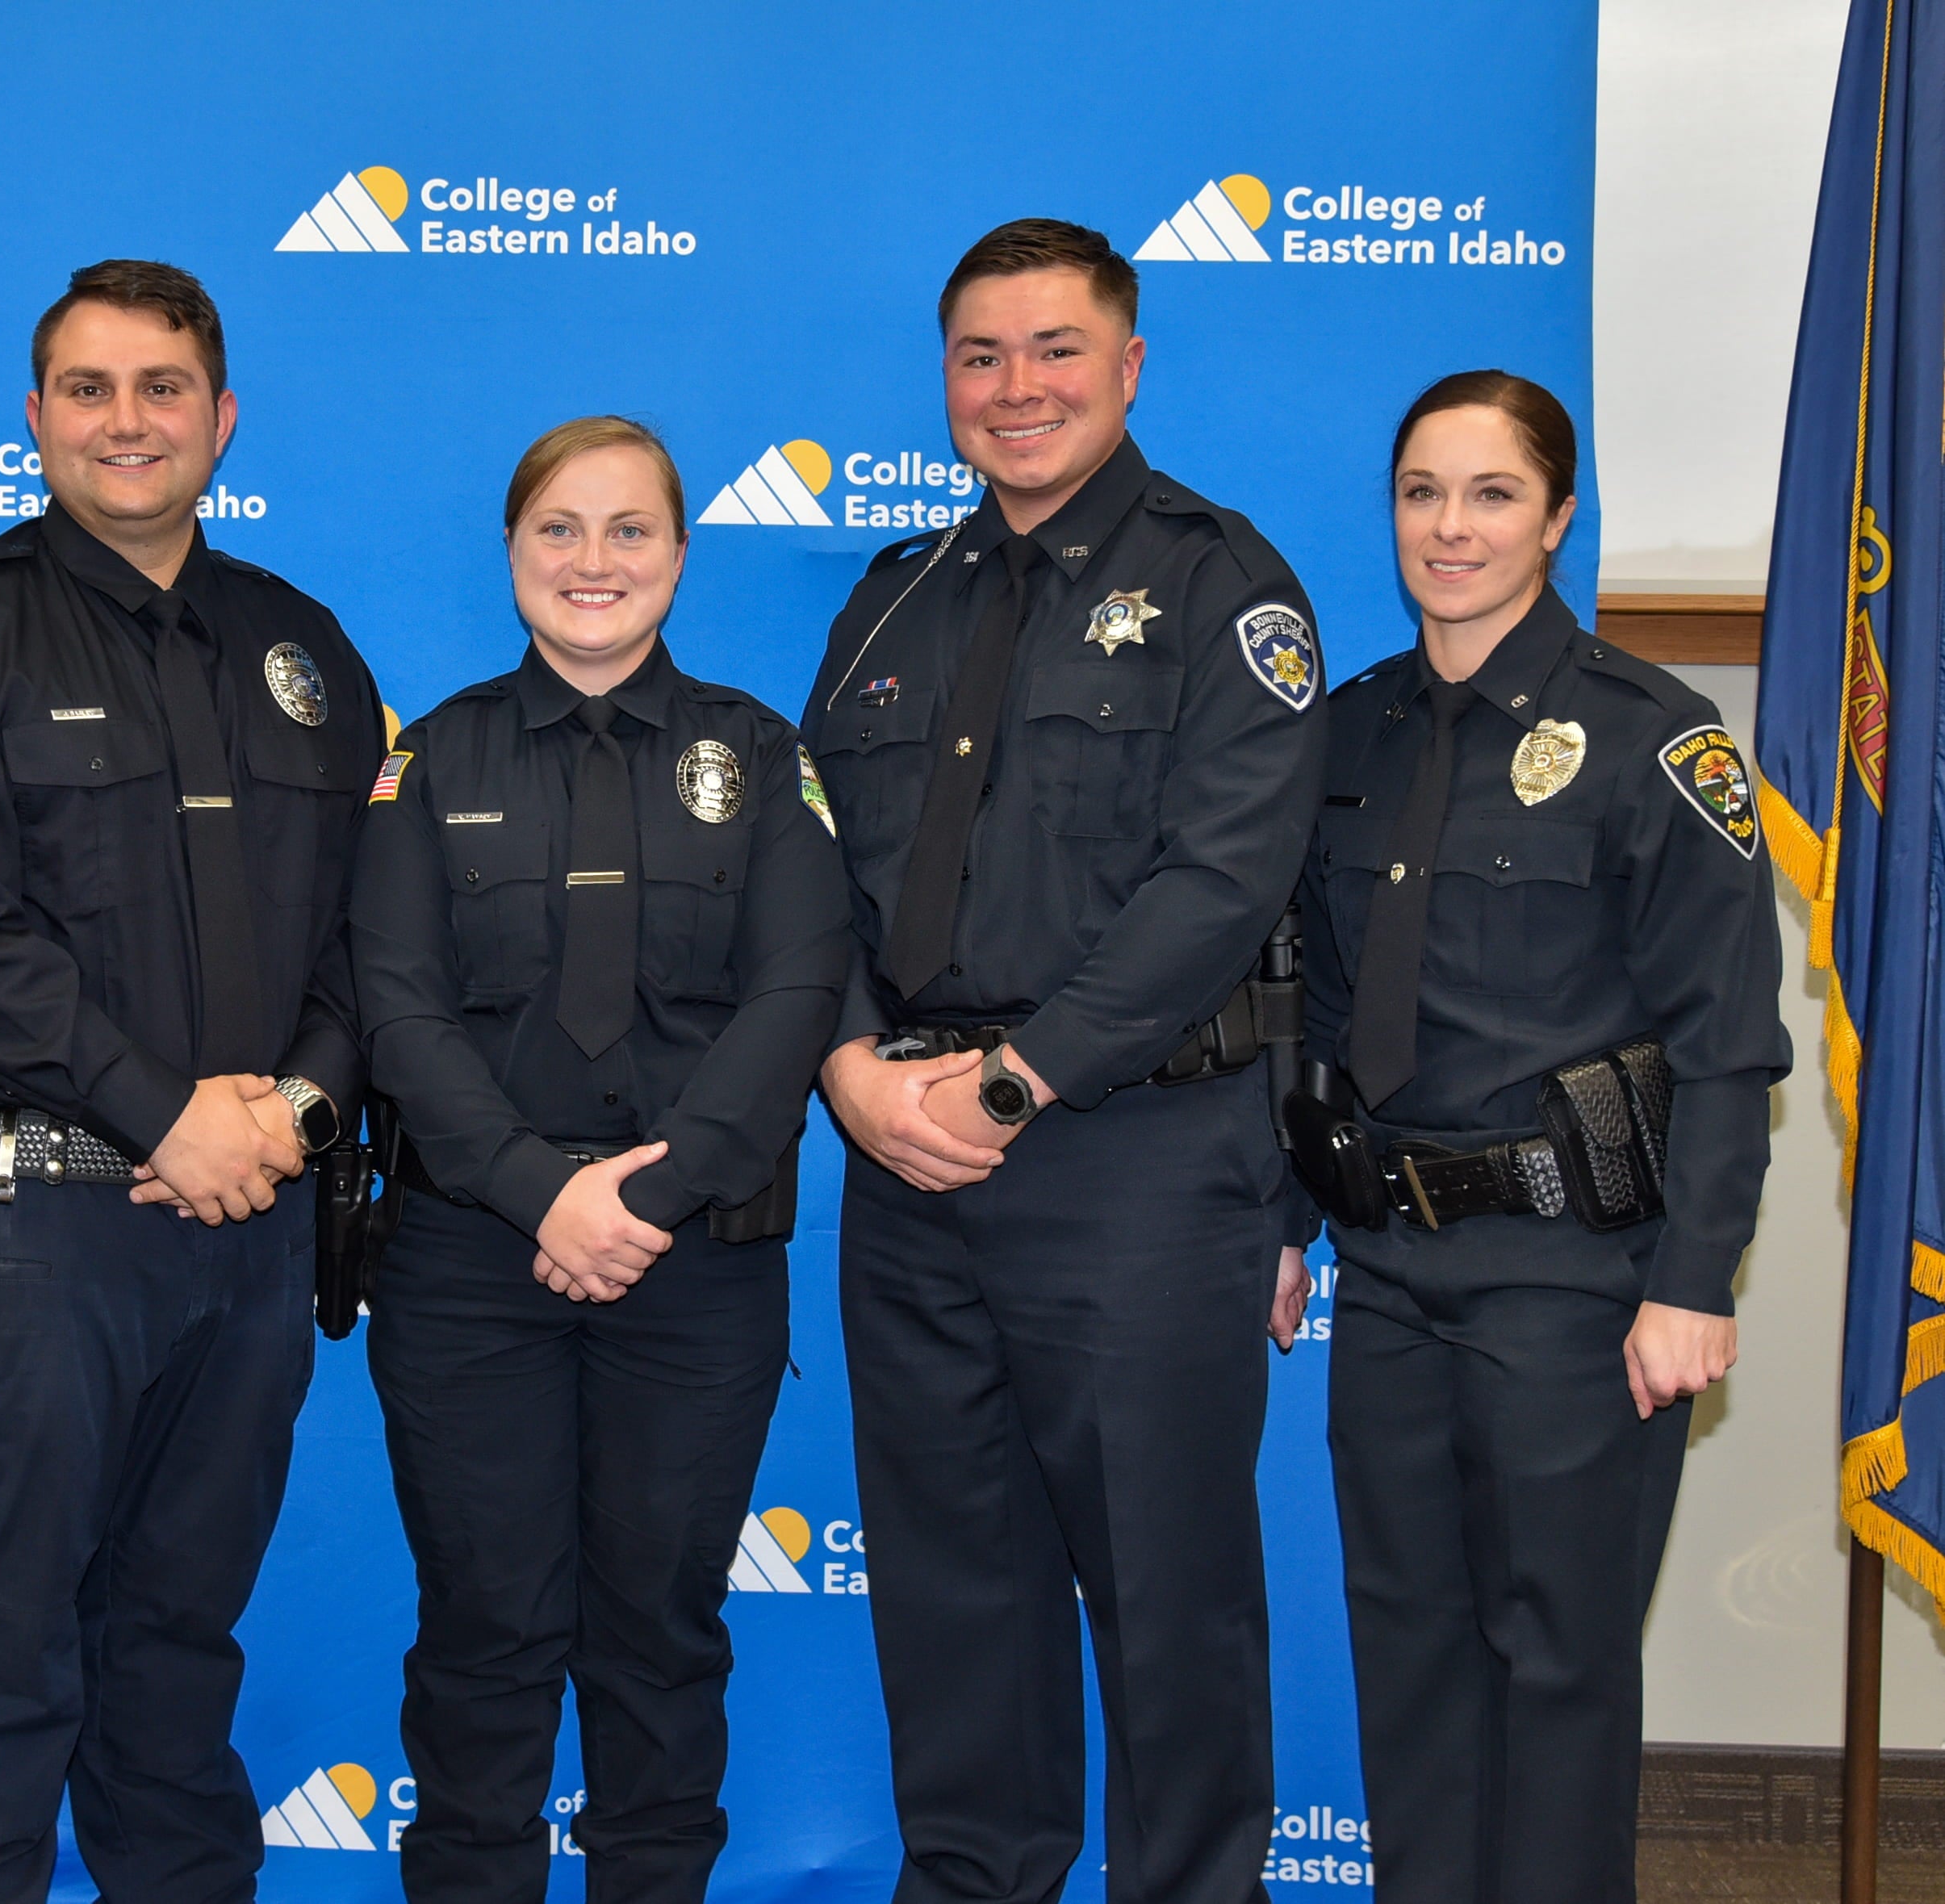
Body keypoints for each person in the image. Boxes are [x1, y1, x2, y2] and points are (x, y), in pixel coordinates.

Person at [0, 258, 382, 1903]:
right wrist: (168, 1111)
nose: (124, 422)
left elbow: (374, 939)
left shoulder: (306, 650)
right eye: (87, 388)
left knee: (176, 1655)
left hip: (252, 1233)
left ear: (221, 420)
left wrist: (294, 1107)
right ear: (33, 418)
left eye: (160, 389)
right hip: (27, 1241)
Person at [800, 218, 1327, 1904]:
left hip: (1135, 1163)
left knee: (1167, 1598)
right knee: (954, 1594)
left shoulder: (1221, 585)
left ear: (1130, 366)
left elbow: (1219, 884)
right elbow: (812, 875)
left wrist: (1016, 1082)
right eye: (981, 356)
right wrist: (848, 1072)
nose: (1016, 388)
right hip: (907, 1161)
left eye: (1054, 350)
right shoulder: (898, 600)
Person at [1289, 372, 1788, 1902]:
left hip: (1576, 1281)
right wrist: (1282, 1225)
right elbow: (1302, 1001)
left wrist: (1695, 1280)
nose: (1451, 527)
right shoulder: (1348, 730)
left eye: (1492, 494)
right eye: (1423, 492)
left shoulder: (1655, 738)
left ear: (1559, 517)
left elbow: (1728, 1044)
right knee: (1410, 1654)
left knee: (1562, 1668)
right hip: (1387, 1267)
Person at [351, 415, 850, 1903]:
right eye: (560, 529)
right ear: (512, 554)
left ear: (682, 556)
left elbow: (798, 993)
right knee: (485, 1631)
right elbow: (394, 1004)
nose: (594, 561)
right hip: (467, 1262)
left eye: (631, 529)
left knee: (660, 1632)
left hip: (692, 1261)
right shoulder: (430, 759)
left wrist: (639, 1194)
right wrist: (536, 1190)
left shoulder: (759, 755)